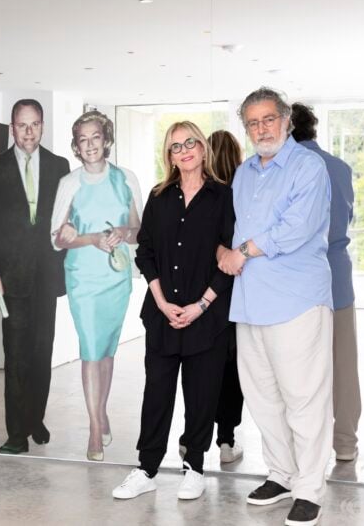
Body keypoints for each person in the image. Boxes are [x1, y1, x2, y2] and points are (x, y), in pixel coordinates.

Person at [218, 87, 333, 526]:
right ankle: (281, 475)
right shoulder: (245, 173)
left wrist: (241, 252)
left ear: (286, 121)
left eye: (269, 119)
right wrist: (224, 251)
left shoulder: (308, 166)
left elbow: (296, 228)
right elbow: (234, 230)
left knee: (304, 399)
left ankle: (308, 489)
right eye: (252, 122)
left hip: (296, 301)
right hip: (250, 303)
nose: (261, 129)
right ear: (245, 128)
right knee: (263, 398)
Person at [112, 121, 235, 501]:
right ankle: (146, 468)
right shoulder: (159, 196)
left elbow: (229, 260)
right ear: (169, 155)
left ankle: (194, 467)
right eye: (174, 146)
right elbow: (145, 251)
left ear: (202, 148)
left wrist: (201, 305)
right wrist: (162, 301)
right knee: (157, 395)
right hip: (163, 315)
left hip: (206, 317)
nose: (183, 151)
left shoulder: (223, 197)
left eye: (189, 143)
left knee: (201, 396)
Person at [50, 110, 142, 462]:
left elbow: (138, 228)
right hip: (83, 278)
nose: (89, 145)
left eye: (95, 138)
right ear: (76, 145)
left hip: (116, 277)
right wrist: (88, 238)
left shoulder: (125, 179)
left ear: (106, 140)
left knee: (106, 350)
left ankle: (101, 410)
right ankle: (92, 427)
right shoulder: (69, 184)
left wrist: (123, 233)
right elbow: (57, 239)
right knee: (90, 349)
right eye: (82, 139)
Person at [0, 98, 70, 455]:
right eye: (22, 125)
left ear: (43, 126)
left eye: (34, 124)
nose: (28, 132)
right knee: (16, 355)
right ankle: (16, 434)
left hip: (47, 275)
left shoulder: (59, 166)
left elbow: (65, 216)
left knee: (41, 352)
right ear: (11, 128)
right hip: (11, 277)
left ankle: (36, 418)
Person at [291, 102, 361, 462]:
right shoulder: (341, 168)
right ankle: (345, 443)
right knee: (344, 365)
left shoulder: (284, 170)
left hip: (298, 284)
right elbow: (347, 217)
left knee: (300, 370)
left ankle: (303, 448)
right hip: (338, 279)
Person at [178, 130, 245, 464]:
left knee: (199, 369)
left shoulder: (208, 195)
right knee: (230, 370)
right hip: (235, 294)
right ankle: (226, 440)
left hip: (204, 292)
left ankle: (192, 437)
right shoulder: (240, 191)